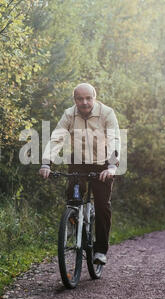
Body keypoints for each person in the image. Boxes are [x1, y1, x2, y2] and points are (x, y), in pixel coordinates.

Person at [39, 83, 121, 265]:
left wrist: (112, 166)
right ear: (74, 99)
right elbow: (57, 138)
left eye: (88, 98)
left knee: (102, 205)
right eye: (79, 99)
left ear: (95, 97)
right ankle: (73, 220)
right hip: (79, 161)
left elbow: (115, 139)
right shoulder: (69, 114)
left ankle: (100, 250)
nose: (84, 103)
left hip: (103, 163)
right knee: (74, 195)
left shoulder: (107, 113)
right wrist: (46, 162)